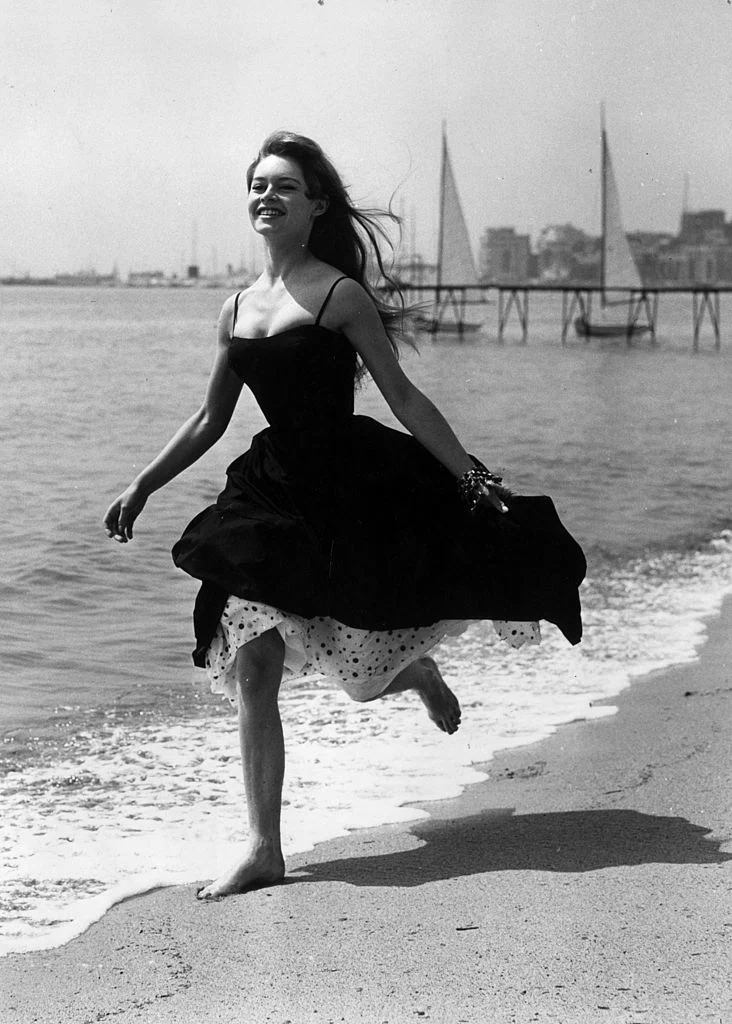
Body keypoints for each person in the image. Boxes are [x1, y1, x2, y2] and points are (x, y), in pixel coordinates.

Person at [104, 130, 585, 899]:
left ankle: (416, 672)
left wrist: (472, 477)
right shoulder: (235, 308)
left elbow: (402, 396)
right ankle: (265, 847)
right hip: (268, 494)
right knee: (253, 663)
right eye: (258, 185)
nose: (267, 196)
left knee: (358, 677)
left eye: (284, 186)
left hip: (348, 491)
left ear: (316, 204)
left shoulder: (339, 295)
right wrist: (144, 484)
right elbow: (207, 419)